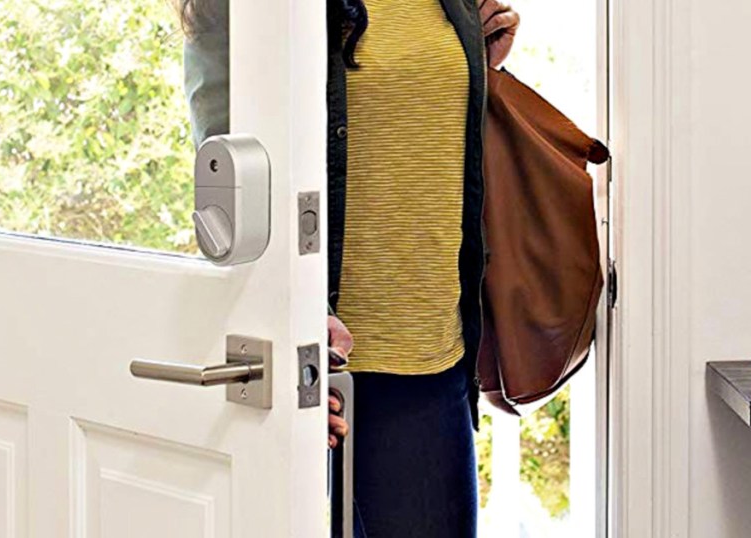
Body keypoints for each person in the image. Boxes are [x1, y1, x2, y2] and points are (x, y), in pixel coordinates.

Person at [182, 0, 520, 535]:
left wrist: (478, 64)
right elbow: (236, 191)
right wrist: (298, 323)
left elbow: (412, 128)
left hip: (434, 356)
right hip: (336, 367)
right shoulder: (247, 10)